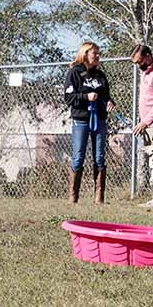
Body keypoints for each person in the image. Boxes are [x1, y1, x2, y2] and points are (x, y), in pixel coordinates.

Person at [64, 41, 115, 204]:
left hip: (99, 120)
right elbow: (69, 98)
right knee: (78, 157)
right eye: (95, 53)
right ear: (85, 54)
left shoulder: (101, 75)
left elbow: (106, 96)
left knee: (99, 157)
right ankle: (73, 197)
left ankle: (99, 197)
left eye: (99, 53)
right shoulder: (74, 73)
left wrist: (109, 102)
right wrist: (86, 97)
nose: (98, 56)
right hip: (81, 120)